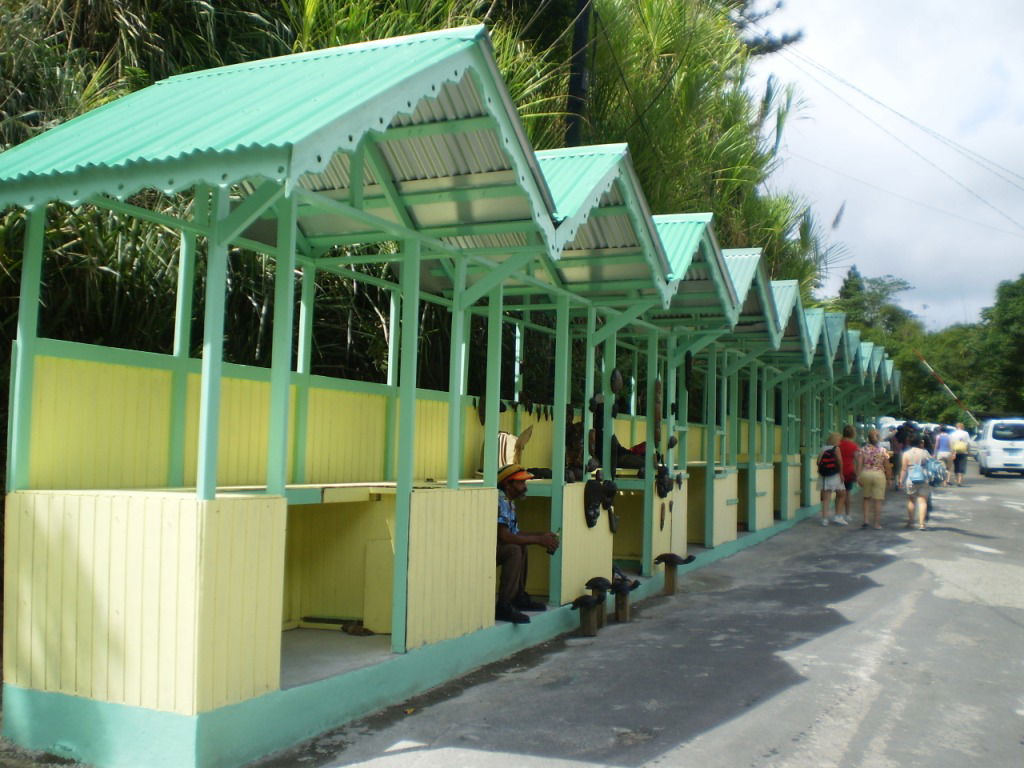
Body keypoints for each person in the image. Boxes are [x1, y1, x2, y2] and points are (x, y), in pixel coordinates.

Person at [495, 463, 560, 624]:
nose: (524, 486)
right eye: (521, 482)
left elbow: (514, 534)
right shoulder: (500, 499)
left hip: (497, 546)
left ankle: (518, 597)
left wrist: (541, 536)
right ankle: (503, 605)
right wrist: (539, 540)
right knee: (514, 550)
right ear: (507, 484)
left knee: (521, 545)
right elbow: (504, 536)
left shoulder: (509, 500)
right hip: (485, 549)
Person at [855, 428, 890, 529]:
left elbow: (859, 464)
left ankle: (866, 520)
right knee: (878, 500)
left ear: (868, 439)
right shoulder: (882, 450)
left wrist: (858, 477)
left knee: (866, 498)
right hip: (879, 474)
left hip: (866, 473)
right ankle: (876, 524)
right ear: (878, 439)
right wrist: (888, 478)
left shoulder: (863, 449)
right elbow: (887, 465)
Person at [899, 435, 931, 531]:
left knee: (911, 500)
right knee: (922, 501)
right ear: (920, 442)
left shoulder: (906, 454)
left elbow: (904, 469)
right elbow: (931, 463)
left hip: (911, 479)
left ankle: (910, 522)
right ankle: (922, 524)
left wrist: (901, 480)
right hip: (923, 478)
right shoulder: (925, 453)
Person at [817, 432, 847, 526]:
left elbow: (818, 462)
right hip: (835, 475)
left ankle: (824, 519)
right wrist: (841, 474)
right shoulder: (836, 448)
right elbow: (840, 462)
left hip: (824, 476)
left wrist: (824, 469)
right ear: (836, 440)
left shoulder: (823, 448)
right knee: (842, 494)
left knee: (826, 498)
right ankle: (838, 516)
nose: (840, 442)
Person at [836, 425, 859, 522]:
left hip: (837, 472)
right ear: (853, 434)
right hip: (849, 471)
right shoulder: (854, 446)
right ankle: (847, 514)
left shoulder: (838, 444)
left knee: (839, 494)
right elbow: (858, 459)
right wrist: (858, 473)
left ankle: (837, 514)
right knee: (847, 494)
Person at [948, 422, 971, 486]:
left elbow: (951, 443)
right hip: (964, 452)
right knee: (962, 466)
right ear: (962, 427)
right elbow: (969, 443)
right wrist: (969, 451)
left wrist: (952, 452)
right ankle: (960, 481)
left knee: (956, 466)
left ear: (956, 427)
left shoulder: (952, 434)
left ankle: (957, 480)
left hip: (955, 451)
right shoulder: (966, 433)